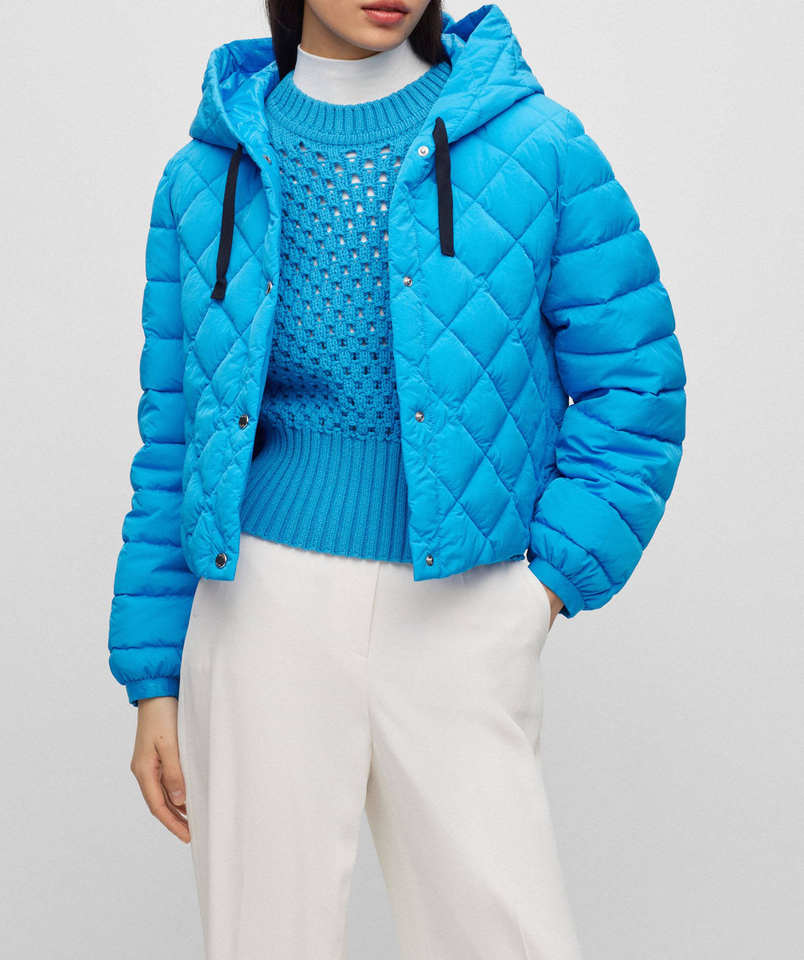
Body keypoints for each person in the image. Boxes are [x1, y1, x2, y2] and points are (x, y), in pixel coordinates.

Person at [109, 1, 686, 957]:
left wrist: (541, 591)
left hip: (463, 605)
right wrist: (154, 677)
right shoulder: (203, 178)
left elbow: (637, 386)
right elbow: (172, 438)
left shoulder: (538, 146)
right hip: (257, 607)